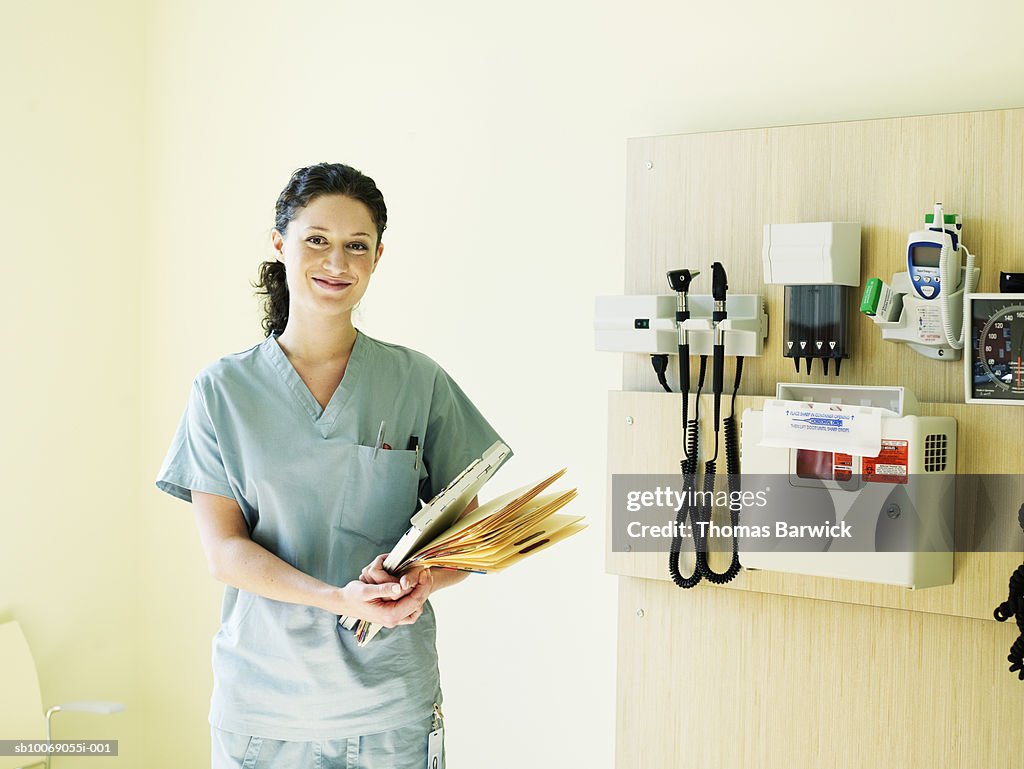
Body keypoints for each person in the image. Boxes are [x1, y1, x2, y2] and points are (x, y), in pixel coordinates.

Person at [155, 163, 508, 768]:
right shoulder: (222, 390)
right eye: (317, 239)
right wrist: (336, 599)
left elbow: (468, 538)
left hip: (391, 706)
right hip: (264, 712)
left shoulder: (415, 381)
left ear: (378, 256)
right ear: (279, 244)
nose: (337, 263)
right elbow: (225, 553)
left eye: (357, 246)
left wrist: (420, 581)